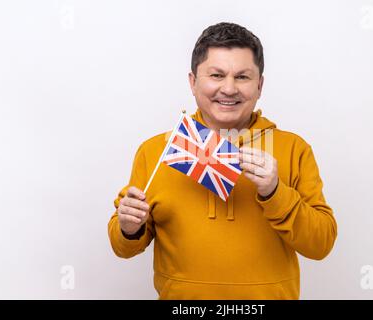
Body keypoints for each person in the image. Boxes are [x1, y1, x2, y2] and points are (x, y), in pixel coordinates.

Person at [108, 22, 337, 299]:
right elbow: (123, 247)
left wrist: (276, 192)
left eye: (242, 77)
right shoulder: (158, 150)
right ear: (193, 82)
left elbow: (321, 244)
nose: (229, 89)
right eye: (216, 75)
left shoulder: (293, 148)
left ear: (260, 85)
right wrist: (129, 228)